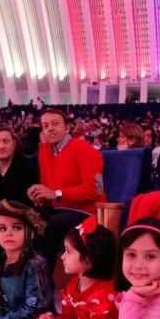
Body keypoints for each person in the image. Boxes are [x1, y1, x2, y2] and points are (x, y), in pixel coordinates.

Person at [27, 109, 106, 272]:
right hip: (58, 210)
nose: (50, 128)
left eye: (55, 124)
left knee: (51, 225)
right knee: (27, 216)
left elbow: (95, 190)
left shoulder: (83, 148)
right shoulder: (44, 152)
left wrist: (55, 194)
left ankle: (41, 285)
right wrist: (40, 196)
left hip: (87, 213)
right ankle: (25, 277)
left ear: (67, 128)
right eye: (45, 125)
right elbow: (50, 190)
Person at [0, 125, 37, 208]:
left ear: (14, 143)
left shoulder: (25, 164)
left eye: (6, 141)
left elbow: (17, 203)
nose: (1, 146)